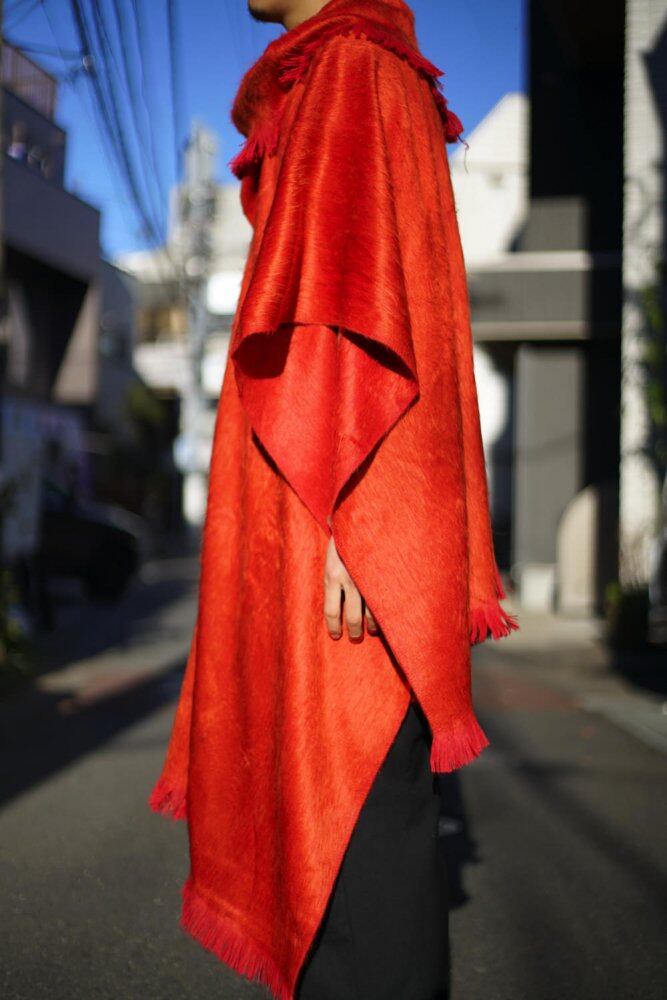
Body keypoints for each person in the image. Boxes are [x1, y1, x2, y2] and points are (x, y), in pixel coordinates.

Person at [148, 2, 518, 998]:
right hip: (326, 504)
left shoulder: (352, 66)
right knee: (342, 827)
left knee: (350, 827)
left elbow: (357, 305)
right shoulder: (346, 72)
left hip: (339, 511)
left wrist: (357, 518)